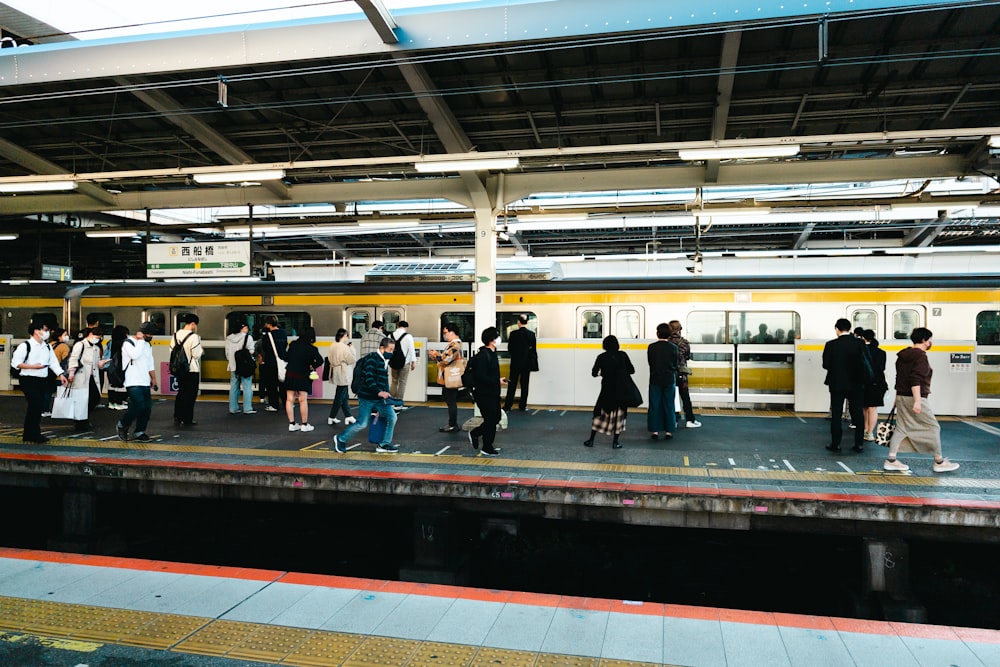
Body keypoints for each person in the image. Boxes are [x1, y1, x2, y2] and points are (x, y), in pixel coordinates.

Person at [884, 328, 959, 473]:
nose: (931, 342)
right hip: (914, 397)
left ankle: (891, 460)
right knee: (933, 426)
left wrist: (896, 398)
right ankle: (939, 461)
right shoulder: (920, 356)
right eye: (930, 339)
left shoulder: (903, 355)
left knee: (901, 427)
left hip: (901, 396)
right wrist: (918, 401)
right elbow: (915, 379)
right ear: (924, 340)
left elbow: (899, 378)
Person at [334, 336, 399, 453]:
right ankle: (340, 439)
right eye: (390, 350)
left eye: (393, 350)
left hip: (379, 398)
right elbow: (369, 378)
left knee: (392, 417)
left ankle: (384, 444)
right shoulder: (371, 359)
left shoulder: (384, 360)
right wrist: (379, 392)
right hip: (367, 397)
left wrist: (386, 394)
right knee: (362, 423)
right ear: (382, 348)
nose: (391, 353)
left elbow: (383, 380)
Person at [11, 322, 68, 444]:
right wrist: (32, 366)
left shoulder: (47, 346)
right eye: (45, 330)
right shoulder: (25, 346)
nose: (47, 332)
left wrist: (61, 375)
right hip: (28, 379)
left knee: (37, 406)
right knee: (35, 404)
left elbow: (53, 362)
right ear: (36, 331)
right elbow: (16, 363)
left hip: (43, 379)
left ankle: (30, 433)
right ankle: (33, 433)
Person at [822, 318, 867, 453]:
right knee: (857, 413)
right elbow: (865, 362)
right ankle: (859, 444)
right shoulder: (859, 343)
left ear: (837, 329)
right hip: (856, 384)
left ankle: (836, 444)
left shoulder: (831, 345)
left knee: (836, 414)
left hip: (836, 383)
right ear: (849, 328)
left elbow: (826, 365)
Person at [584, 334, 634, 449]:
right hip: (621, 390)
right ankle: (615, 442)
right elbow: (632, 370)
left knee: (599, 414)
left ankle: (591, 440)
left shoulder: (601, 357)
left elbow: (594, 373)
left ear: (604, 345)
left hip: (606, 390)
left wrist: (603, 373)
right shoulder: (623, 355)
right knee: (619, 416)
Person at [466, 326, 506, 457]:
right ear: (492, 340)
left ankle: (476, 433)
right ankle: (487, 447)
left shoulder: (492, 353)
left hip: (492, 392)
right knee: (490, 419)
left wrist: (497, 380)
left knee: (495, 417)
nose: (499, 338)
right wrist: (496, 381)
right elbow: (481, 376)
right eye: (497, 336)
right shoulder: (484, 355)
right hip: (484, 393)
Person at [116, 322, 159, 442]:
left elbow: (150, 363)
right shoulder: (128, 343)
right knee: (139, 406)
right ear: (143, 333)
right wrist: (140, 341)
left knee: (147, 408)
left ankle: (140, 431)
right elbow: (135, 355)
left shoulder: (147, 345)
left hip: (144, 380)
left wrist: (153, 379)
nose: (151, 337)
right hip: (132, 381)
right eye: (150, 334)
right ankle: (122, 424)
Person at [67, 326, 109, 431]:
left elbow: (96, 364)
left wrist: (102, 363)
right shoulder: (80, 345)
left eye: (99, 337)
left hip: (92, 377)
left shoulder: (96, 348)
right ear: (90, 334)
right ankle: (80, 422)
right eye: (96, 336)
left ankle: (84, 419)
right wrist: (71, 374)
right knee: (82, 400)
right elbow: (73, 359)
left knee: (94, 398)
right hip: (80, 377)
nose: (97, 339)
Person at [282, 326, 323, 432]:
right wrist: (311, 365)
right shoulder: (312, 348)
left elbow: (286, 357)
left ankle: (292, 424)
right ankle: (304, 424)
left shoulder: (293, 344)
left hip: (290, 374)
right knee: (302, 400)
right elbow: (320, 361)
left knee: (289, 399)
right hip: (303, 375)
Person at [647, 323, 679, 440]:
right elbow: (675, 365)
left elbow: (650, 363)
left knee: (654, 404)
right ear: (669, 334)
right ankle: (669, 431)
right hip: (669, 379)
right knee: (669, 404)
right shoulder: (674, 348)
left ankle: (654, 431)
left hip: (655, 379)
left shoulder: (651, 347)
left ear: (657, 333)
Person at [430, 323, 464, 433]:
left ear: (452, 332)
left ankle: (452, 424)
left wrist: (436, 354)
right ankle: (452, 423)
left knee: (451, 401)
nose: (445, 335)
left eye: (445, 333)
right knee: (450, 400)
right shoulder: (453, 345)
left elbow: (446, 360)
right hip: (449, 377)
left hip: (450, 378)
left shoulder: (455, 345)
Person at [170, 313, 203, 427]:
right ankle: (187, 418)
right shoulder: (194, 337)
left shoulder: (175, 335)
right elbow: (197, 354)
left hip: (179, 369)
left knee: (181, 392)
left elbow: (171, 352)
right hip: (191, 369)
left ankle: (177, 416)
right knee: (190, 395)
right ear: (192, 324)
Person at [668, 320, 701, 428]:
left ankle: (674, 420)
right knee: (685, 397)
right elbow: (687, 357)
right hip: (682, 374)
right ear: (680, 329)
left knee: (672, 397)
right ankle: (690, 420)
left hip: (670, 374)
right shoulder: (685, 342)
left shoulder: (667, 342)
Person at [504, 314, 538, 413]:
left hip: (515, 363)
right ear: (527, 323)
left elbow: (510, 349)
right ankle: (522, 405)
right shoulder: (531, 334)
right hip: (527, 364)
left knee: (512, 384)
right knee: (525, 384)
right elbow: (533, 350)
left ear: (519, 322)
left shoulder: (513, 334)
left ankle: (508, 405)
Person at [861, 329, 888, 442]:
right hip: (877, 383)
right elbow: (882, 368)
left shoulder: (860, 351)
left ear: (863, 338)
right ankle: (870, 433)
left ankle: (864, 429)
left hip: (862, 383)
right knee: (873, 408)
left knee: (864, 407)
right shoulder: (881, 352)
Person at [326, 328, 357, 426]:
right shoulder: (344, 347)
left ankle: (348, 416)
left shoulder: (332, 345)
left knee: (343, 394)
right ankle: (332, 417)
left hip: (335, 371)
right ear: (344, 336)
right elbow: (352, 359)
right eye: (347, 336)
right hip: (343, 372)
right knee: (340, 395)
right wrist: (352, 349)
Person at [225, 321, 256, 414]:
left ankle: (233, 408)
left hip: (233, 366)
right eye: (246, 328)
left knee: (234, 387)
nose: (247, 330)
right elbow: (251, 351)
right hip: (245, 366)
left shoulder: (229, 338)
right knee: (247, 387)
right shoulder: (247, 337)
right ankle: (247, 408)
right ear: (242, 328)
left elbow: (227, 353)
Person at [258, 315, 287, 411]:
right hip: (282, 361)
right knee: (283, 383)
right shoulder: (283, 333)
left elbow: (265, 348)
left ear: (268, 324)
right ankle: (287, 402)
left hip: (271, 362)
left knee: (272, 385)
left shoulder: (267, 336)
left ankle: (274, 405)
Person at [44, 328, 71, 417]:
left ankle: (45, 410)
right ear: (59, 336)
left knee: (47, 392)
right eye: (65, 335)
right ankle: (61, 411)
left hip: (48, 372)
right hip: (60, 374)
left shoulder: (49, 345)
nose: (67, 336)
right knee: (62, 393)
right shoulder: (64, 347)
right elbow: (67, 361)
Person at [390, 320, 416, 409]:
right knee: (402, 382)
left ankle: (391, 402)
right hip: (405, 363)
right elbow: (412, 349)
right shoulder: (408, 336)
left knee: (394, 381)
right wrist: (413, 361)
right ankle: (398, 403)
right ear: (406, 327)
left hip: (393, 362)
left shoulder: (390, 335)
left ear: (398, 326)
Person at [104, 326, 129, 410]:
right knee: (121, 385)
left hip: (110, 366)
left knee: (112, 385)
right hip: (119, 366)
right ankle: (119, 402)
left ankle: (112, 402)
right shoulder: (124, 343)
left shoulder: (110, 342)